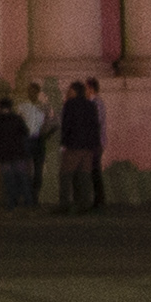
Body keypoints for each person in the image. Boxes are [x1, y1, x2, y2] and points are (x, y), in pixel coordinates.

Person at [58, 80, 100, 212]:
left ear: (75, 91)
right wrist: (95, 144)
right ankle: (85, 204)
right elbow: (95, 126)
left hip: (74, 145)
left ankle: (65, 204)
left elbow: (66, 125)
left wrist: (63, 143)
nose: (67, 93)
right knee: (85, 176)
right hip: (88, 146)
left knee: (65, 175)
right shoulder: (91, 105)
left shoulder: (69, 105)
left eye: (69, 90)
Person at [0, 89, 34, 209]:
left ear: (0, 107)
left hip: (3, 154)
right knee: (23, 178)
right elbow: (26, 132)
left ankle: (11, 203)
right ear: (11, 107)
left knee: (8, 180)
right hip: (18, 152)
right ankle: (28, 202)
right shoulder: (17, 118)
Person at [17, 81, 51, 209]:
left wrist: (45, 133)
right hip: (26, 139)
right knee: (26, 170)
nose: (30, 93)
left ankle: (34, 196)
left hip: (39, 139)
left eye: (33, 91)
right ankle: (28, 197)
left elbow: (47, 123)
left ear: (37, 92)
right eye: (29, 91)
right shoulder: (22, 107)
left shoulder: (44, 107)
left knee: (38, 170)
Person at [85, 74, 109, 210]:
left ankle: (99, 199)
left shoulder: (97, 103)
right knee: (94, 171)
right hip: (94, 142)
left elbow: (97, 122)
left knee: (95, 171)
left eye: (86, 88)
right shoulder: (93, 103)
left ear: (91, 89)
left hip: (96, 142)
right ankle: (98, 199)